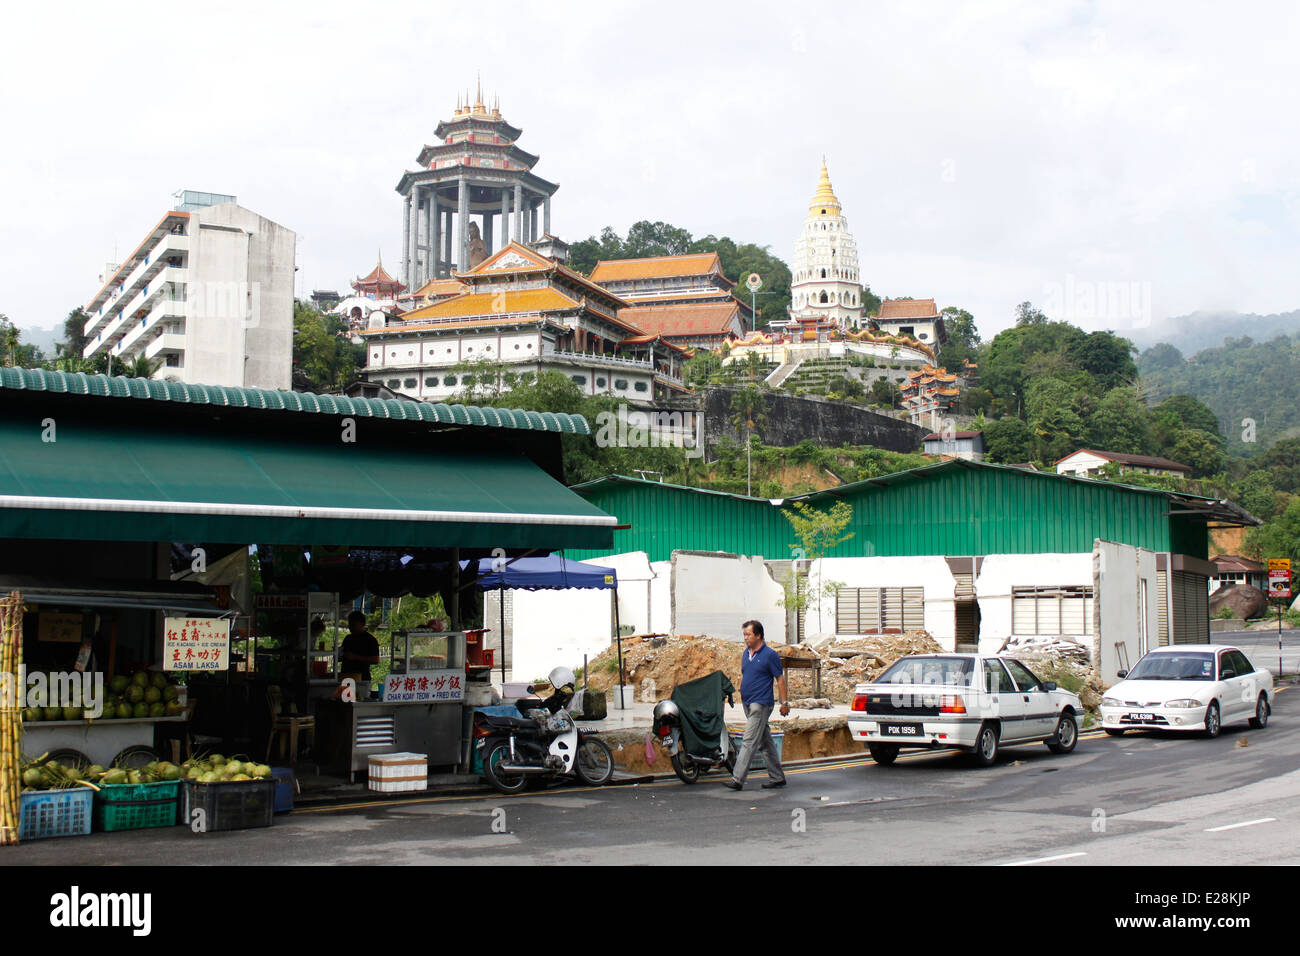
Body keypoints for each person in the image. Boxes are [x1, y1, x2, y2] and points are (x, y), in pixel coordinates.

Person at [724, 619, 789, 791]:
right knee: (765, 741)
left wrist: (784, 703)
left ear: (758, 635)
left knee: (749, 740)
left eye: (748, 634)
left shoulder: (770, 655)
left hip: (760, 704)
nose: (745, 638)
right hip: (747, 702)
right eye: (744, 635)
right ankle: (777, 777)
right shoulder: (746, 654)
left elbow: (780, 679)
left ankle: (737, 779)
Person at [338, 610, 380, 699]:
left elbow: (375, 659)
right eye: (349, 625)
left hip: (362, 679)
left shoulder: (370, 640)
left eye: (353, 625)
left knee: (360, 702)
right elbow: (341, 654)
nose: (350, 627)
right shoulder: (348, 638)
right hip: (346, 677)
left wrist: (354, 657)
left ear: (362, 624)